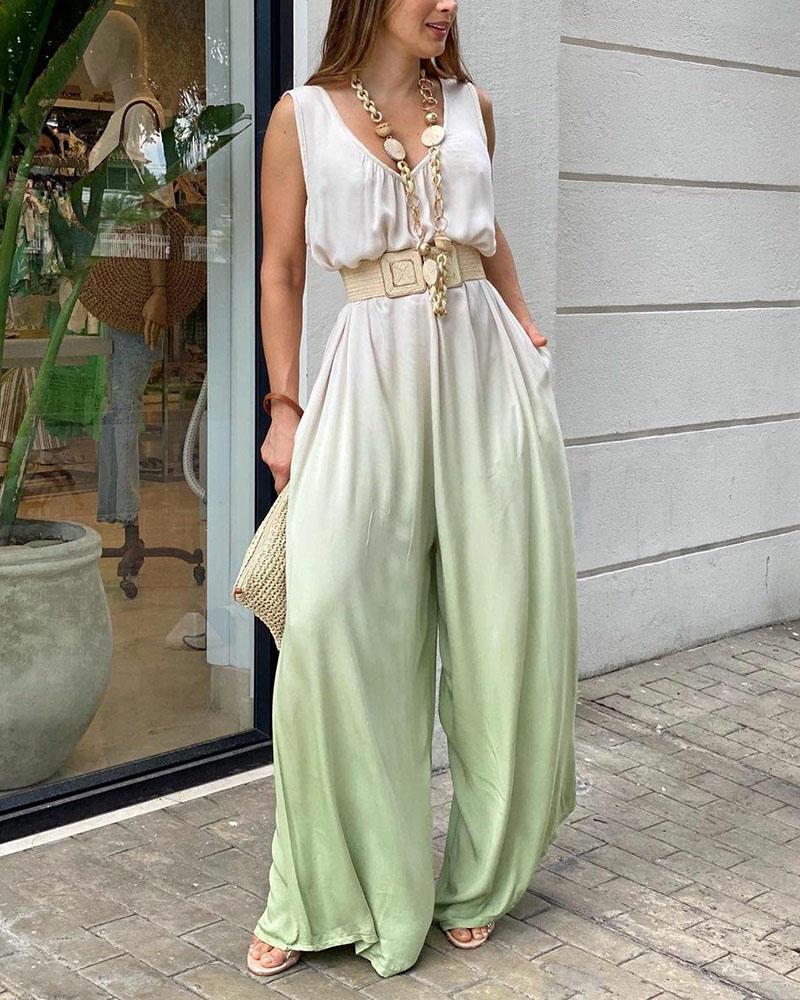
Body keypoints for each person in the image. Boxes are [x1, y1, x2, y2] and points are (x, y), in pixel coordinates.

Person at [247, 0, 579, 980]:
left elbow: (485, 231)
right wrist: (284, 408)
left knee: (499, 631)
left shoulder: (472, 105)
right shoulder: (300, 116)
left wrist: (525, 325)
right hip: (368, 375)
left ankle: (476, 879)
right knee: (332, 628)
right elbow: (278, 270)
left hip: (483, 374)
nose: (446, 5)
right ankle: (322, 890)